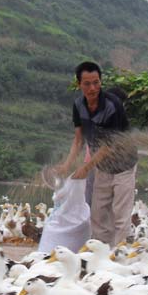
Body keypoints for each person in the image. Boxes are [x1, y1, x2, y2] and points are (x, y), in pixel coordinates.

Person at [56, 62, 137, 247]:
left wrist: (86, 167)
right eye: (87, 83)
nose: (92, 88)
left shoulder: (112, 105)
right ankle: (101, 253)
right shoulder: (78, 105)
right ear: (79, 84)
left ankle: (120, 258)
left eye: (96, 82)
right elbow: (79, 139)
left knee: (120, 214)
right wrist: (67, 164)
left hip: (123, 164)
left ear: (100, 81)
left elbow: (109, 144)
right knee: (98, 214)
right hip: (103, 166)